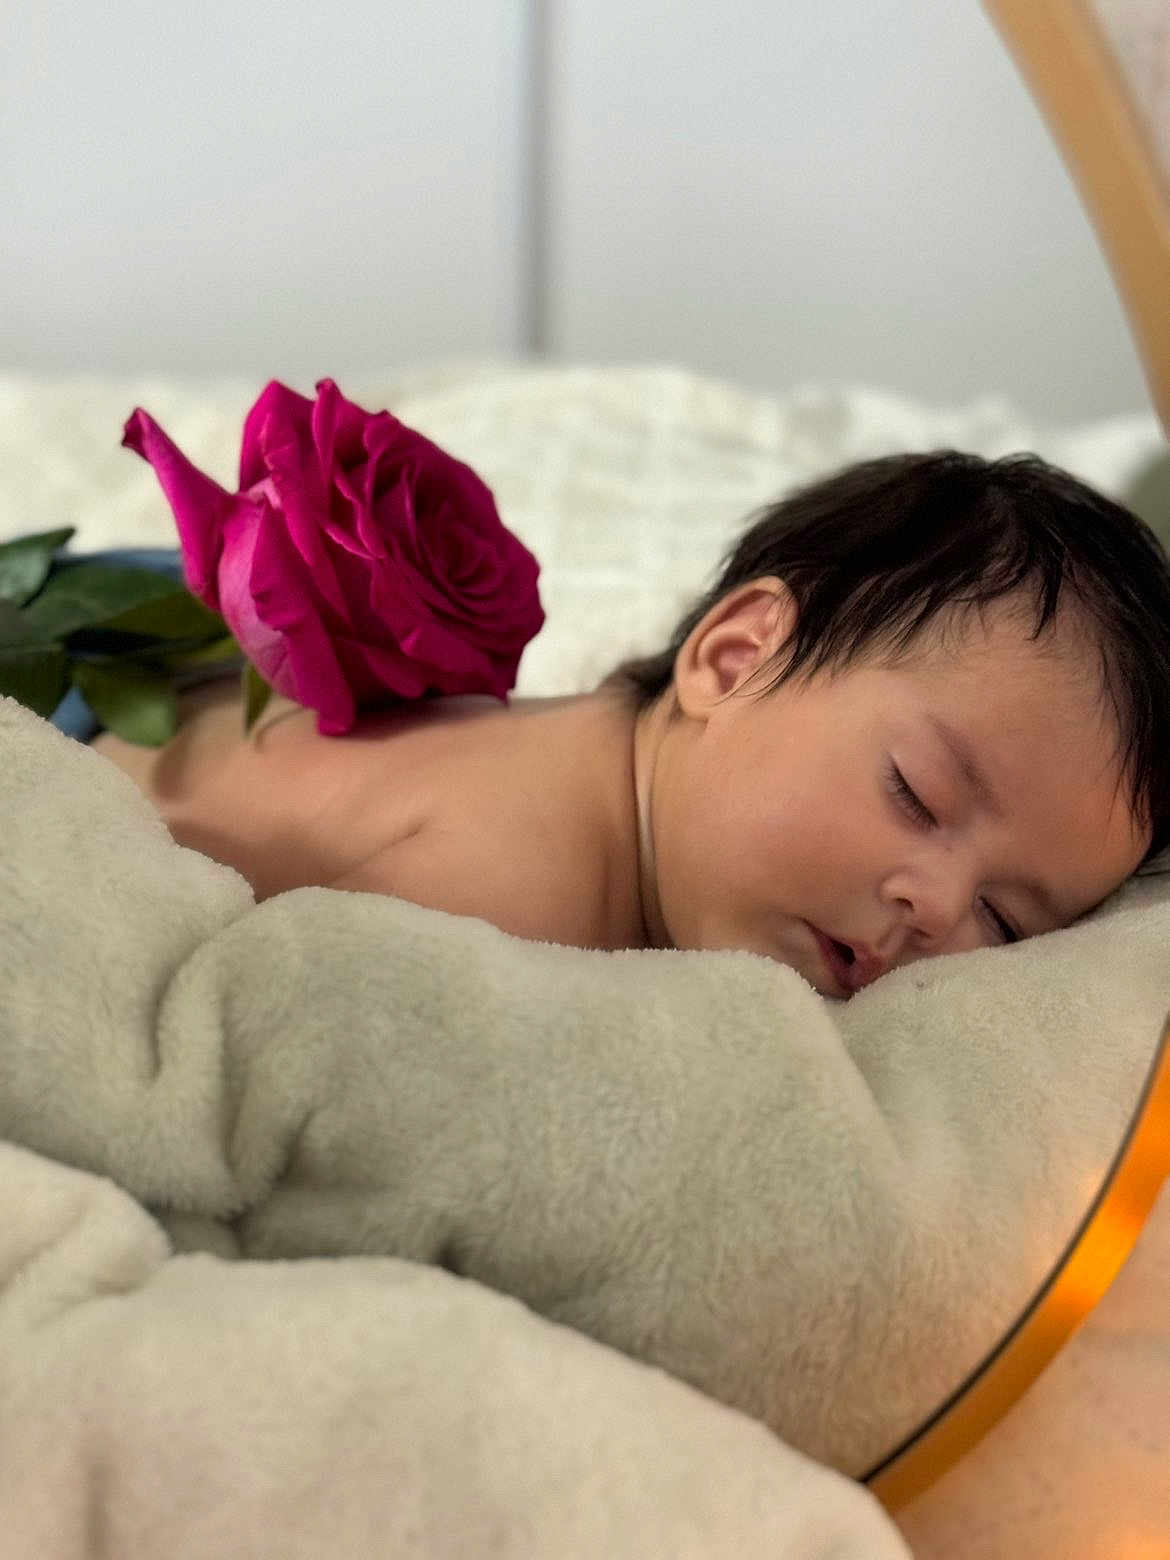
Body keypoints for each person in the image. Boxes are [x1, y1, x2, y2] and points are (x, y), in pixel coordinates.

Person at [87, 450, 1170, 999]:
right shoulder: (508, 898)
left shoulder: (627, 792)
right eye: (917, 794)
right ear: (734, 657)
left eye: (1010, 922)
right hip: (93, 696)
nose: (935, 908)